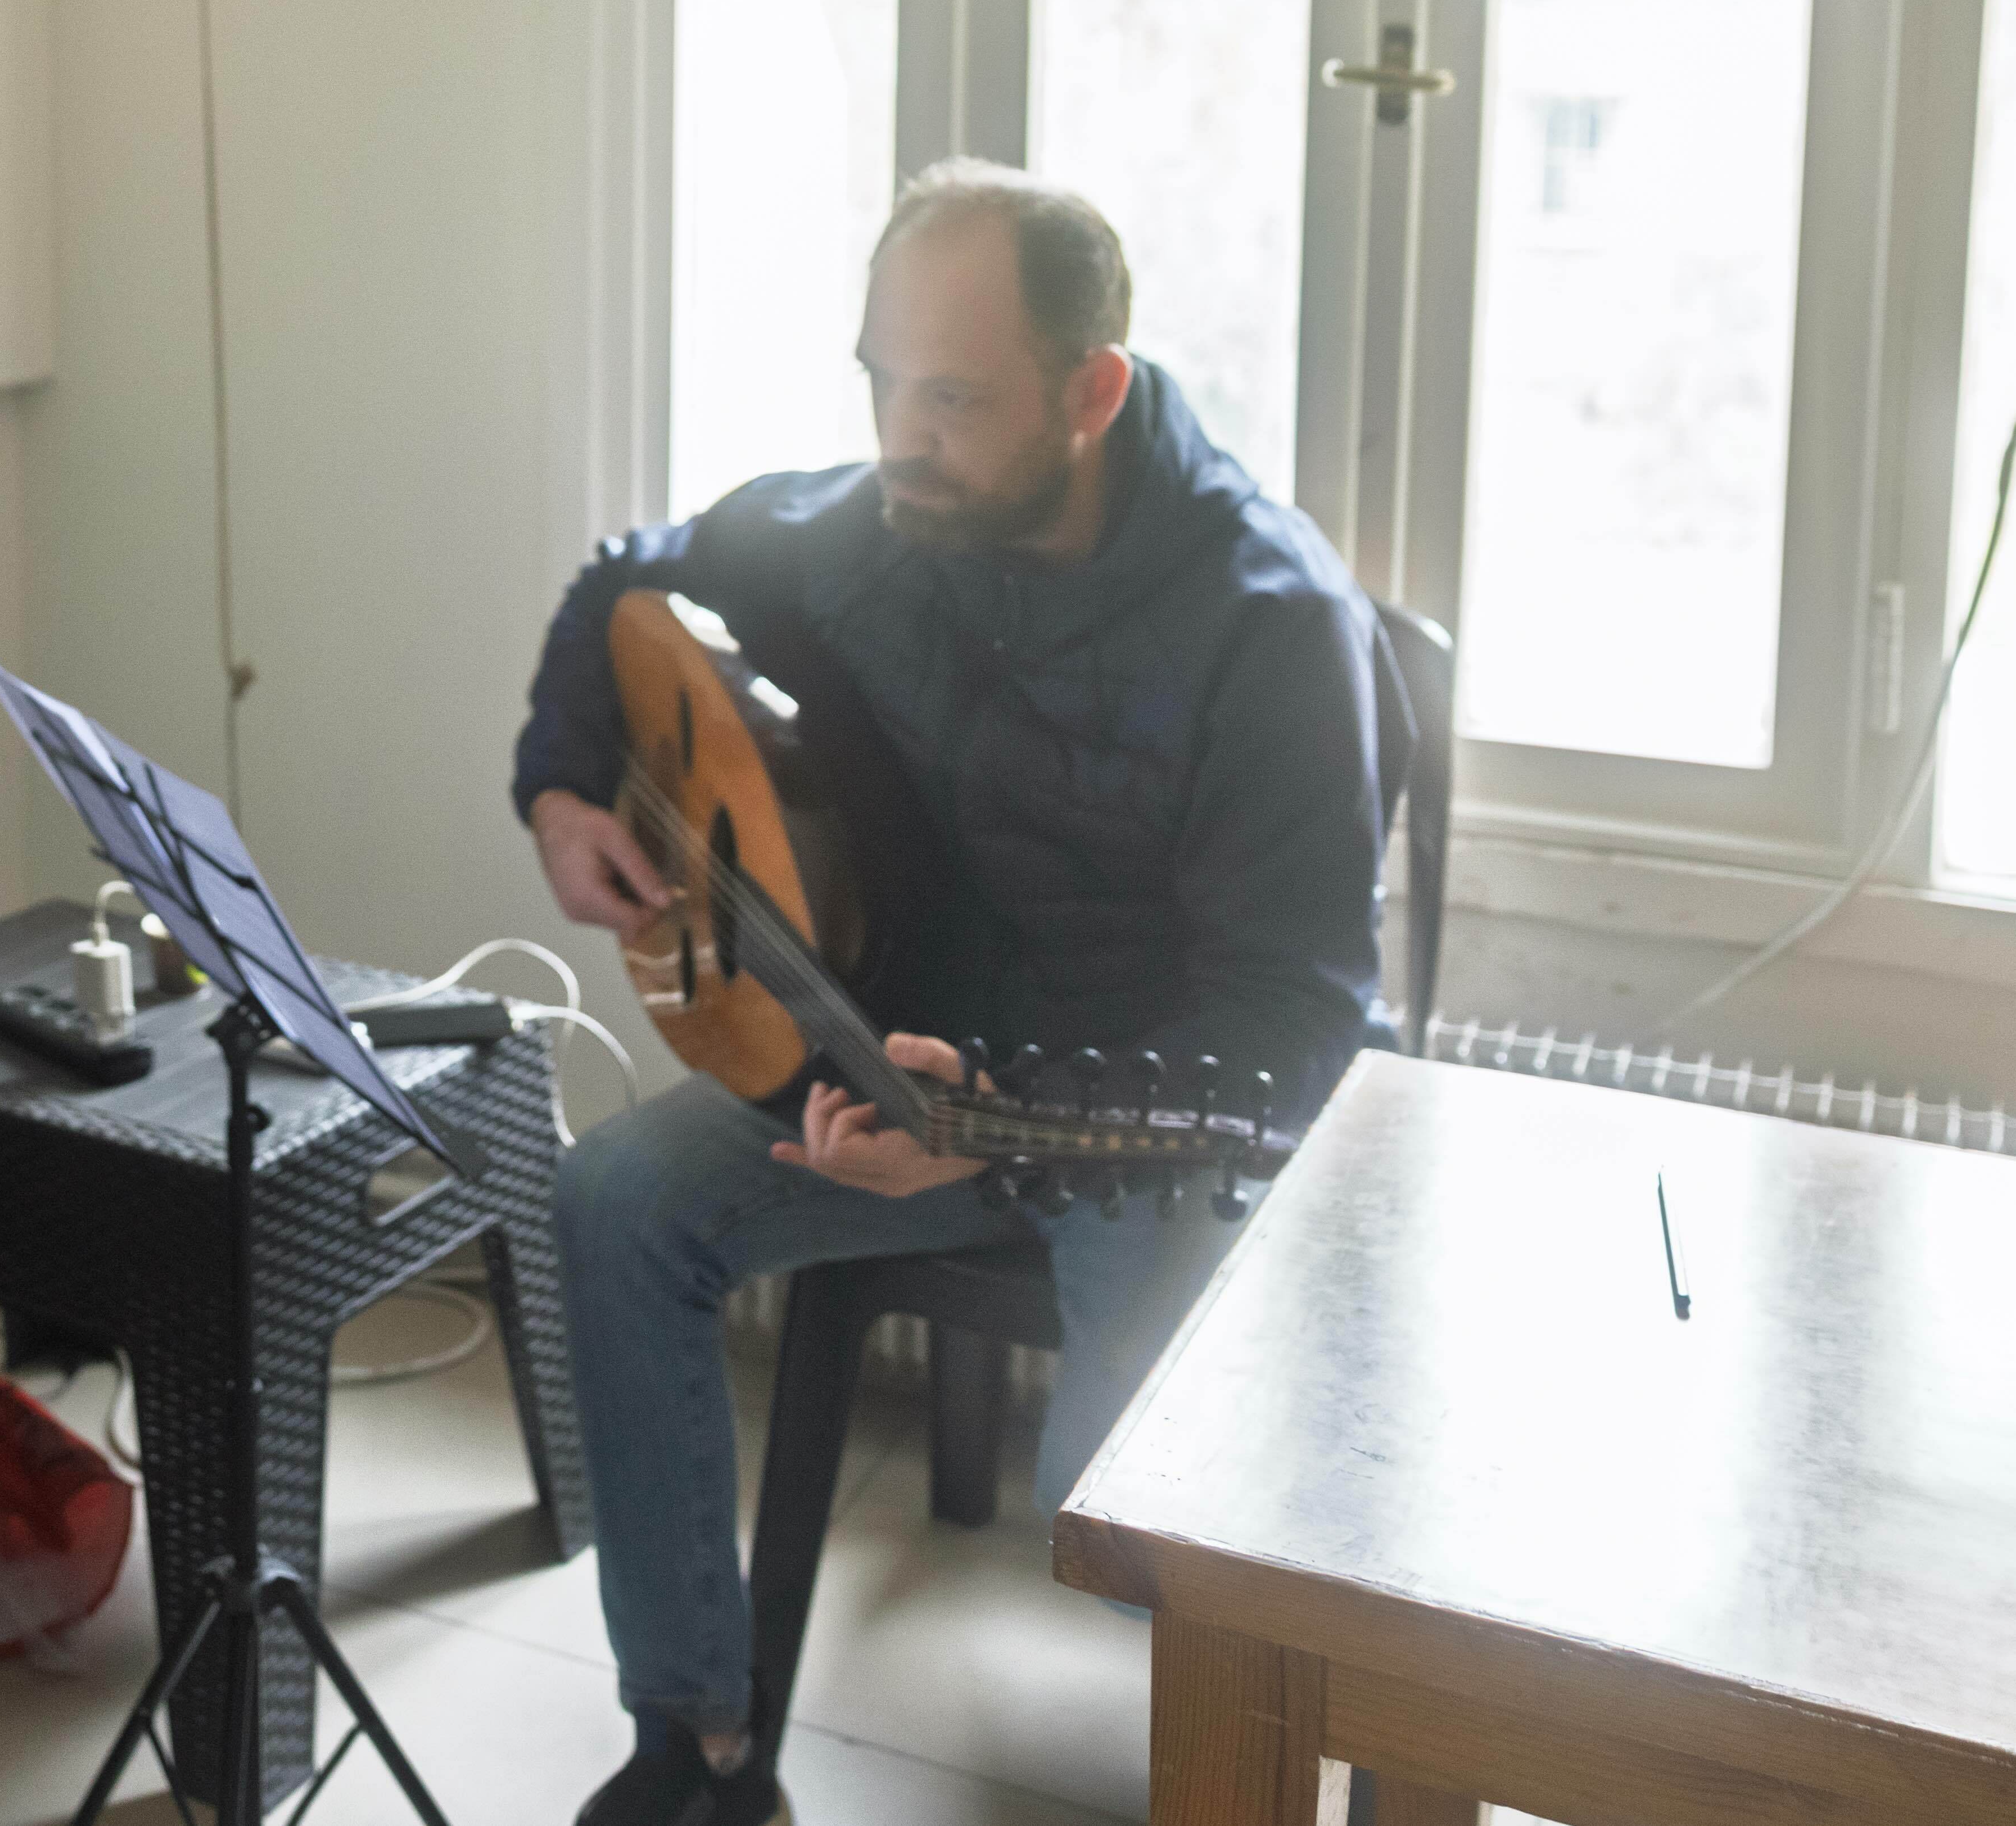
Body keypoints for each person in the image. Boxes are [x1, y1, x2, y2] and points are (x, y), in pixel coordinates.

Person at [513, 162, 1397, 1826]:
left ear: (1091, 391)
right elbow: (628, 571)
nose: (898, 438)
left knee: (1118, 1518)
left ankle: (1342, 1764)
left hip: (1151, 1126)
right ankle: (697, 1748)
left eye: (953, 399)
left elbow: (1289, 1029)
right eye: (881, 383)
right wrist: (562, 785)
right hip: (904, 1064)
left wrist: (996, 1127)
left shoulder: (1271, 621)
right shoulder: (879, 523)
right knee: (615, 1198)